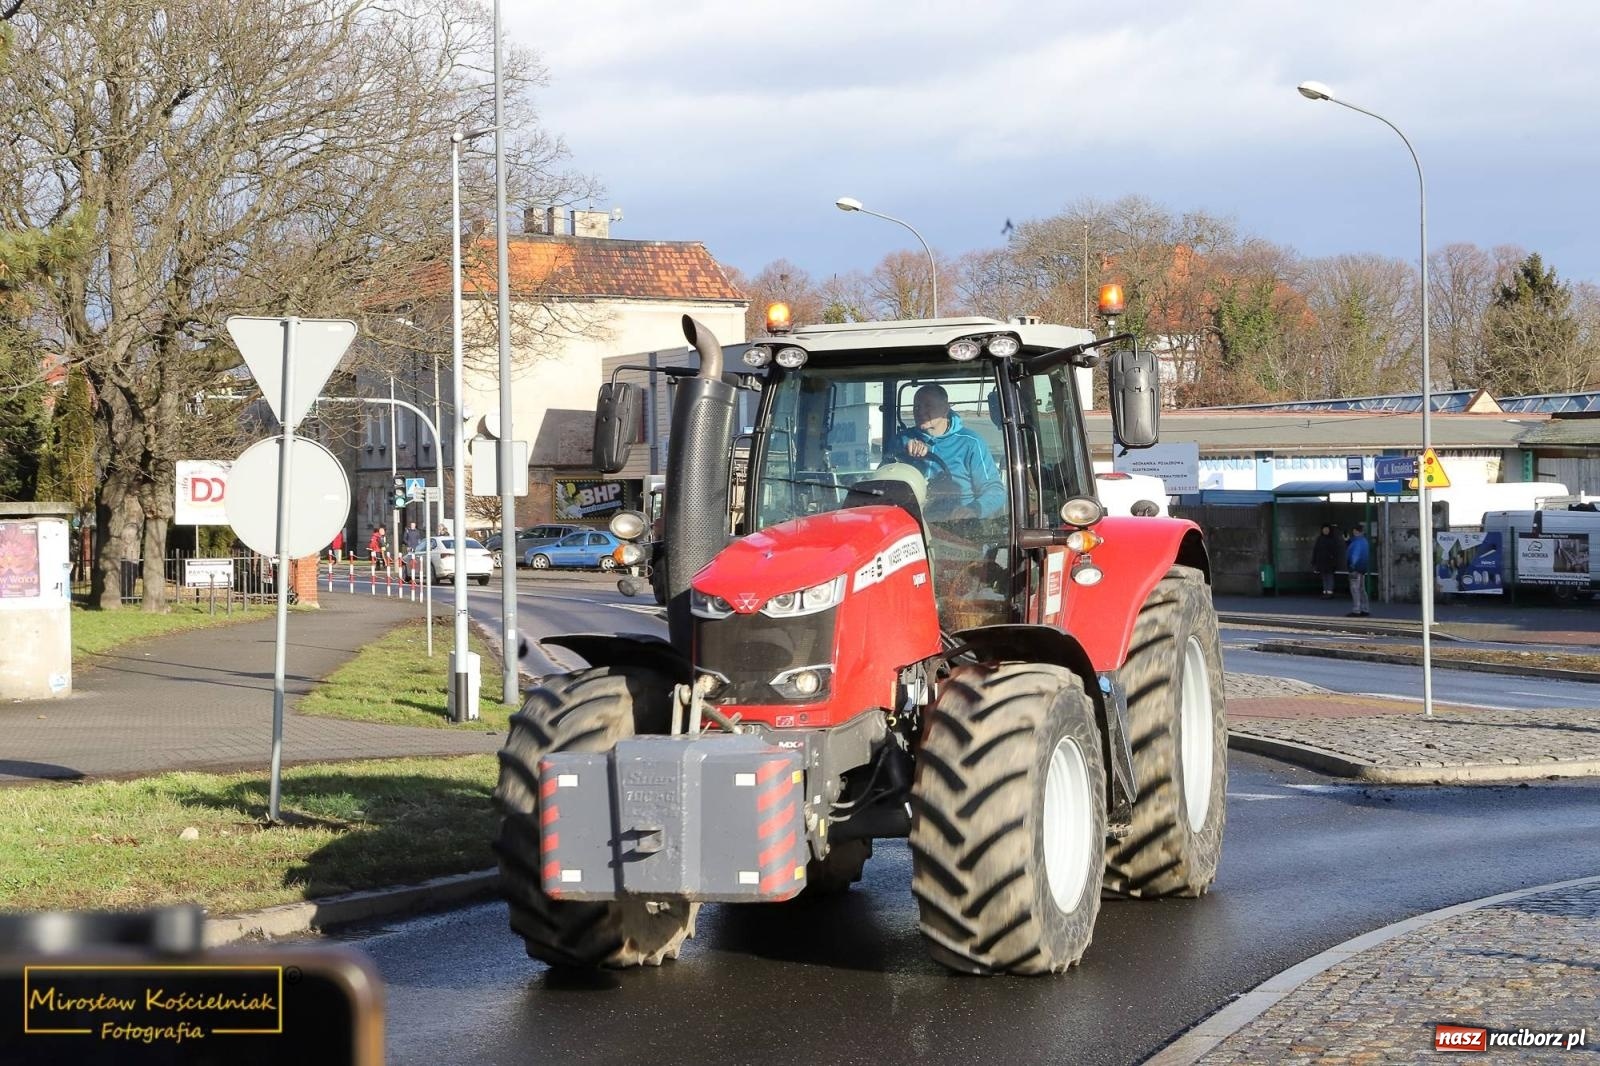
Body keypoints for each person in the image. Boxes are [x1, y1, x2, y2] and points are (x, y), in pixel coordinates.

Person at [895, 384, 1005, 520]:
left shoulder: (970, 442)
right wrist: (903, 452)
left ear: (946, 409)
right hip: (908, 520)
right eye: (916, 407)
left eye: (928, 405)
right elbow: (882, 481)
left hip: (956, 523)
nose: (920, 411)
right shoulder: (902, 440)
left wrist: (973, 509)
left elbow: (995, 490)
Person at [1310, 523, 1343, 598]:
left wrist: (1334, 560)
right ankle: (1325, 591)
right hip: (1321, 561)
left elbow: (1336, 551)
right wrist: (1314, 560)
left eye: (1327, 529)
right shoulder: (1319, 539)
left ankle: (1329, 592)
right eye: (1324, 529)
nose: (1325, 531)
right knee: (1324, 577)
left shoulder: (1333, 539)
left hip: (1330, 562)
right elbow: (1315, 550)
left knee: (1329, 576)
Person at [1345, 523, 1371, 617]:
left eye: (1354, 531)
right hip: (1362, 568)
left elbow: (1354, 555)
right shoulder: (1364, 541)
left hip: (1355, 569)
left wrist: (1352, 566)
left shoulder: (1356, 542)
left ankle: (1356, 610)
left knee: (1355, 589)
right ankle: (1365, 609)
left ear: (1356, 531)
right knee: (1362, 589)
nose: (1354, 533)